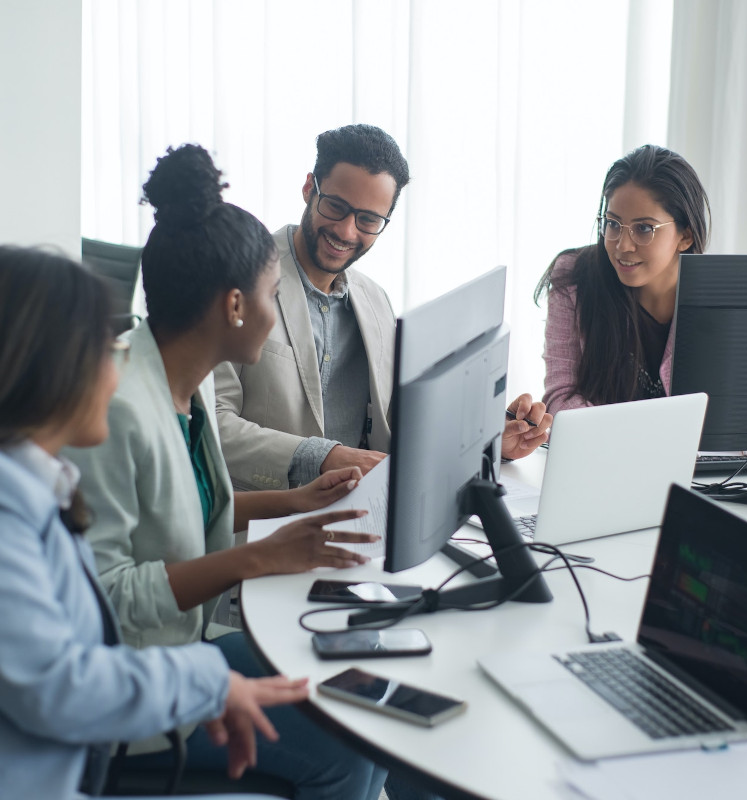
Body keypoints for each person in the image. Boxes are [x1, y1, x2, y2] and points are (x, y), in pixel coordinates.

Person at [66, 144, 387, 800]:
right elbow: (105, 599)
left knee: (379, 706)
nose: (278, 313)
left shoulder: (189, 377)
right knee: (351, 759)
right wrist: (258, 560)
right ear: (235, 306)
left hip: (189, 645)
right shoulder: (115, 412)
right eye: (273, 295)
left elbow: (184, 499)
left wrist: (296, 500)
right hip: (134, 685)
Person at [0, 245, 310, 800]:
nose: (115, 368)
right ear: (44, 366)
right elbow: (60, 687)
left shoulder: (39, 485)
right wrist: (205, 684)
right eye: (101, 345)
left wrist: (293, 503)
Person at [215, 123, 549, 488]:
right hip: (264, 520)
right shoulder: (237, 276)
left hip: (360, 513)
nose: (346, 231)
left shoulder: (375, 301)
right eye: (336, 207)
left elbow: (398, 422)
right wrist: (325, 457)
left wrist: (490, 437)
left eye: (368, 220)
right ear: (310, 188)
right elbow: (212, 422)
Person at [534, 144, 710, 414]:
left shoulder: (716, 297)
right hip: (600, 452)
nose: (622, 245)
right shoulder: (574, 280)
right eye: (613, 224)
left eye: (643, 228)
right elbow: (560, 396)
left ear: (685, 236)